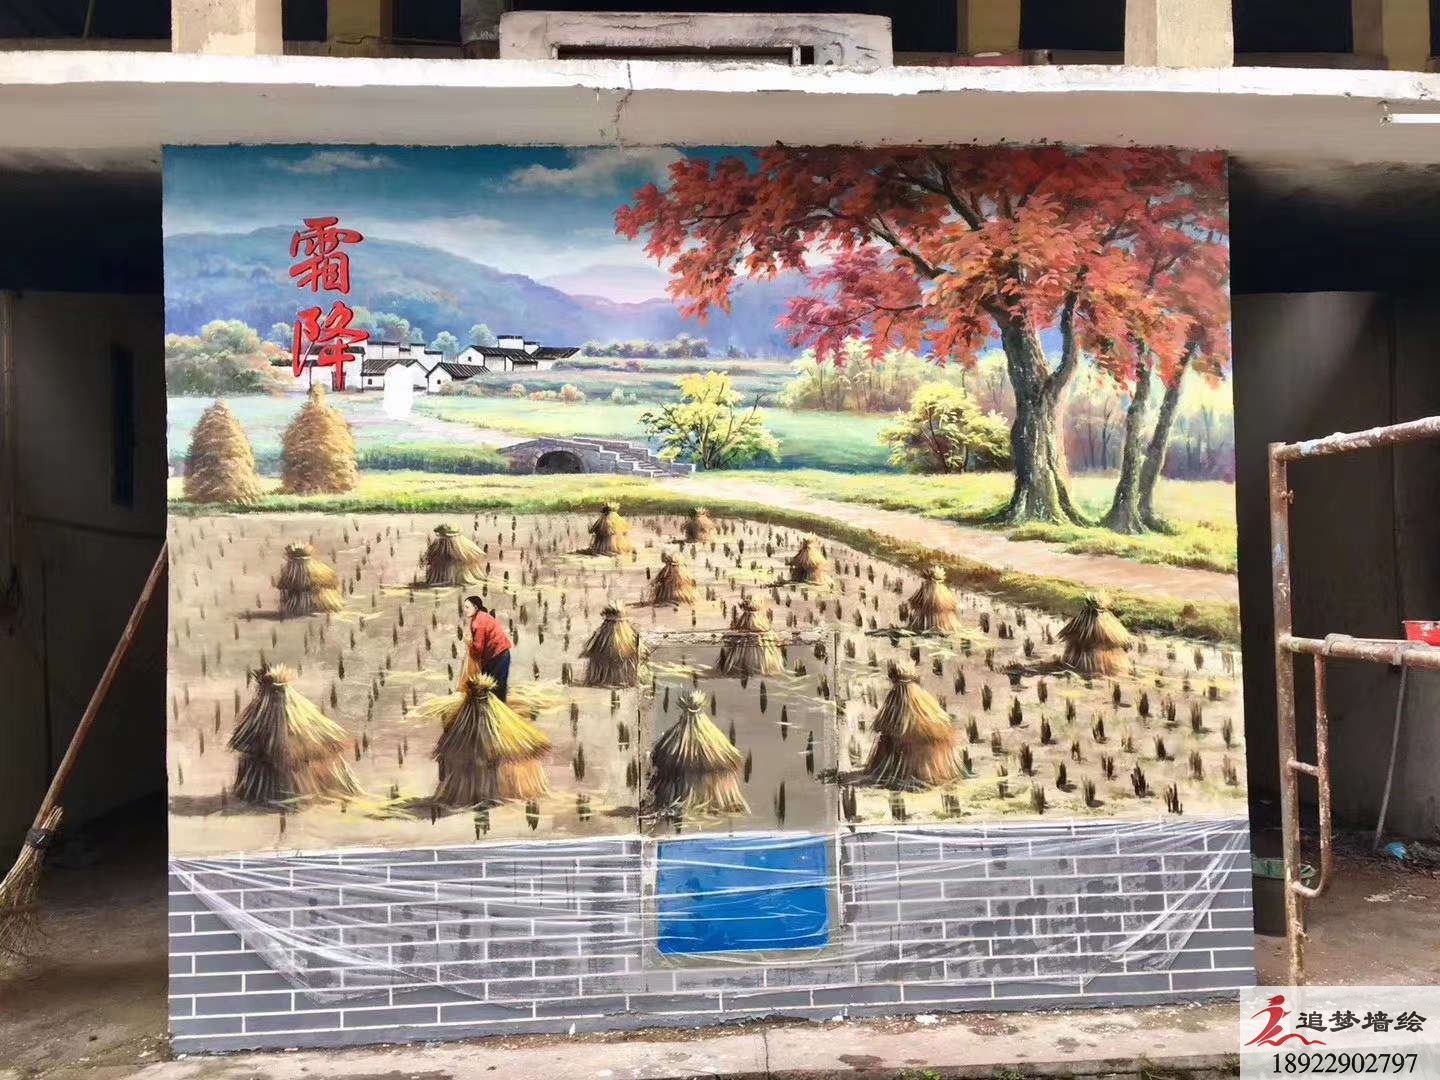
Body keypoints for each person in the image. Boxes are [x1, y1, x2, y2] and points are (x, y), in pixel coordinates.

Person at [459, 595, 512, 702]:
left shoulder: (478, 622)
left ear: (475, 607)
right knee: (491, 688)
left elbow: (478, 648)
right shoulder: (482, 616)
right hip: (497, 655)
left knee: (496, 689)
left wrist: (469, 646)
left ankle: (497, 710)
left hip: (499, 656)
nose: (465, 610)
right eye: (464, 607)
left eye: (467, 607)